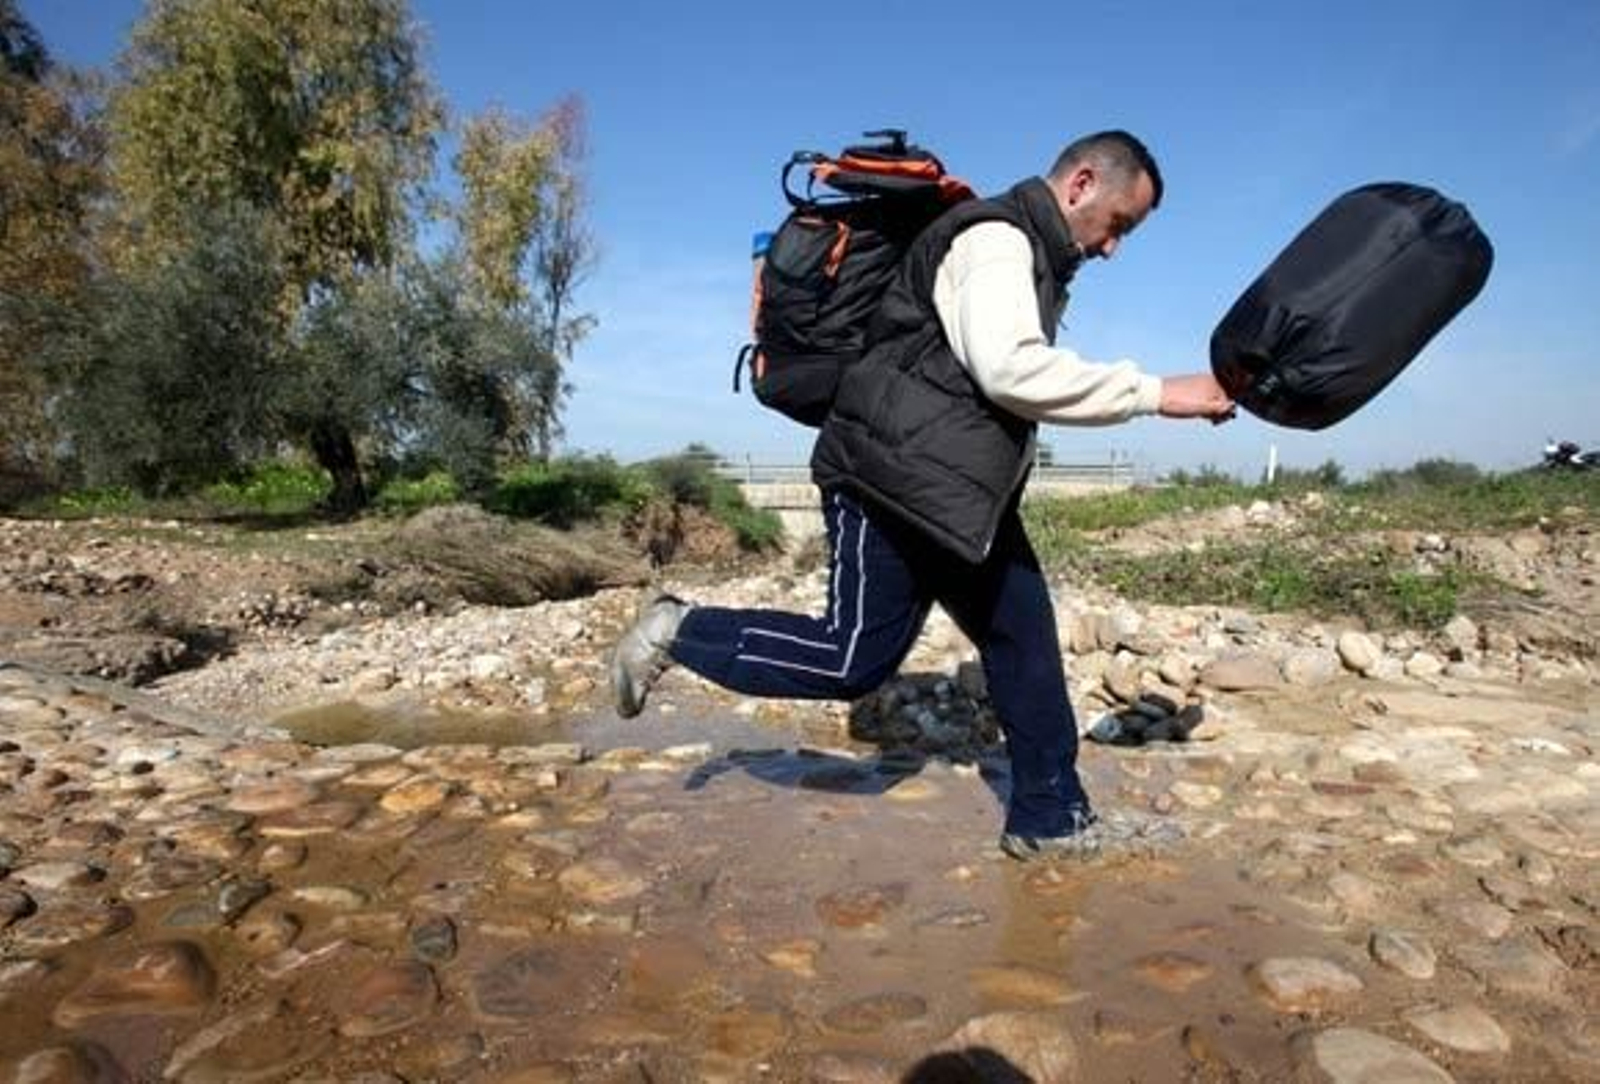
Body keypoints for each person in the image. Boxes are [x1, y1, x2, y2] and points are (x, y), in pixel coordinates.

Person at [610, 131, 1235, 861]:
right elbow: (1012, 373)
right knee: (853, 662)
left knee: (1024, 641)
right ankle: (678, 630)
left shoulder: (1034, 258)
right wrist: (1162, 394)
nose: (1112, 248)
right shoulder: (995, 239)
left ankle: (1050, 819)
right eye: (1119, 224)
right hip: (887, 479)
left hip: (953, 493)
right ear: (1081, 184)